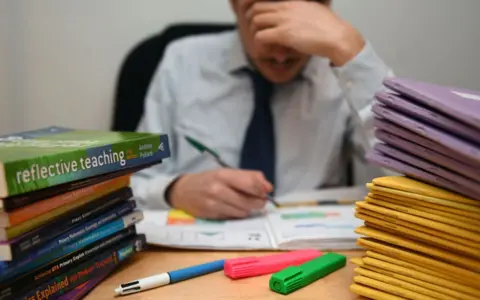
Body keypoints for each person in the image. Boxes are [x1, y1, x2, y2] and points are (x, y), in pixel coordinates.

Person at [131, 0, 393, 219]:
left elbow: (412, 181)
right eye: (263, 24)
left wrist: (352, 51)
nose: (280, 56)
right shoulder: (182, 62)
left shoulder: (344, 73)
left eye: (293, 27)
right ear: (235, 4)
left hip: (314, 254)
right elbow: (129, 187)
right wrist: (173, 191)